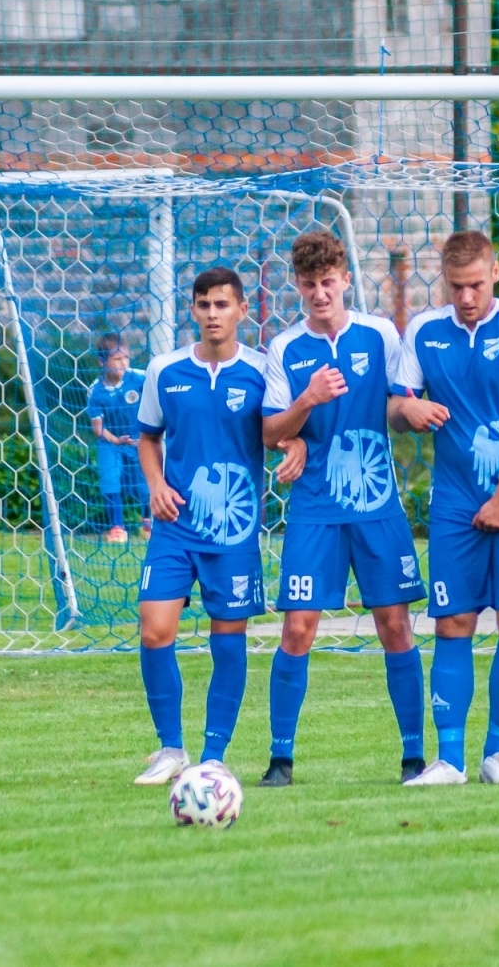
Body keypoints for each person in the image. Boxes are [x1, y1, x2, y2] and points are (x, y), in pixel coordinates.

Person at [257, 230, 436, 788]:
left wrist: (413, 408)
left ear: (345, 280)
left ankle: (413, 758)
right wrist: (307, 403)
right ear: (298, 286)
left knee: (394, 626)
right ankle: (280, 760)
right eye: (308, 285)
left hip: (377, 505)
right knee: (298, 629)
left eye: (327, 283)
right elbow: (269, 431)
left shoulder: (381, 335)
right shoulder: (286, 349)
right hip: (315, 507)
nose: (318, 294)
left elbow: (396, 401)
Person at [390, 231, 499, 786]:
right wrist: (407, 409)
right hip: (455, 499)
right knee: (453, 622)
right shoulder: (422, 331)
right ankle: (451, 760)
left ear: (495, 273)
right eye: (456, 286)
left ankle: (498, 753)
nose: (466, 297)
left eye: (477, 285)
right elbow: (395, 403)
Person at [130, 267, 305, 784]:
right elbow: (147, 437)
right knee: (154, 628)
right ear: (193, 309)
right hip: (176, 525)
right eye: (204, 305)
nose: (212, 314)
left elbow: (280, 428)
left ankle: (213, 754)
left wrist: (294, 444)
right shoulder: (165, 369)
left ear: (241, 310)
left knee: (227, 638)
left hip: (233, 532)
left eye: (222, 305)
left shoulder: (261, 371)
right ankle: (169, 750)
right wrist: (156, 485)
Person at [86, 337, 149, 543]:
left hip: (138, 440)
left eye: (126, 358)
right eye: (117, 359)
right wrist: (116, 440)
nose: (123, 363)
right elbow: (98, 429)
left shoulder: (138, 378)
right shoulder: (96, 391)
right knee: (111, 479)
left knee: (144, 483)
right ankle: (117, 527)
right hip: (111, 442)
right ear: (102, 362)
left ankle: (147, 523)